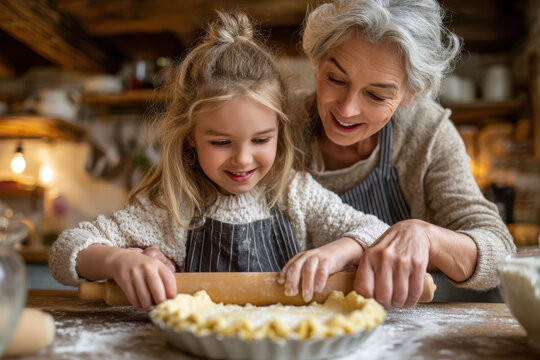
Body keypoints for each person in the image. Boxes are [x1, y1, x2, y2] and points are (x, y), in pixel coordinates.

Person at [48, 11, 390, 311]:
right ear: (191, 137)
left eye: (261, 140)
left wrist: (335, 254)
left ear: (279, 132)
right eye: (221, 142)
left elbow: (378, 233)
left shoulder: (294, 194)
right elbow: (65, 251)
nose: (243, 159)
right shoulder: (173, 210)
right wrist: (117, 261)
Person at [281, 0, 515, 308]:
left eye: (377, 95)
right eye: (335, 79)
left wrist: (426, 237)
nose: (347, 109)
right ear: (317, 61)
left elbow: (500, 254)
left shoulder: (426, 132)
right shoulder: (277, 124)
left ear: (410, 93)